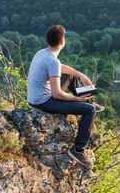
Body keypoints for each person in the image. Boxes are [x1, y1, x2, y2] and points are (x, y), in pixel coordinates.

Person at [27, 25, 104, 168]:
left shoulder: (42, 53)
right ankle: (78, 150)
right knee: (89, 110)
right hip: (44, 102)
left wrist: (80, 74)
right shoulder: (52, 60)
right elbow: (56, 94)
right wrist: (77, 100)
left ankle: (87, 100)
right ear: (63, 42)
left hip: (35, 98)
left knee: (70, 75)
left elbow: (61, 68)